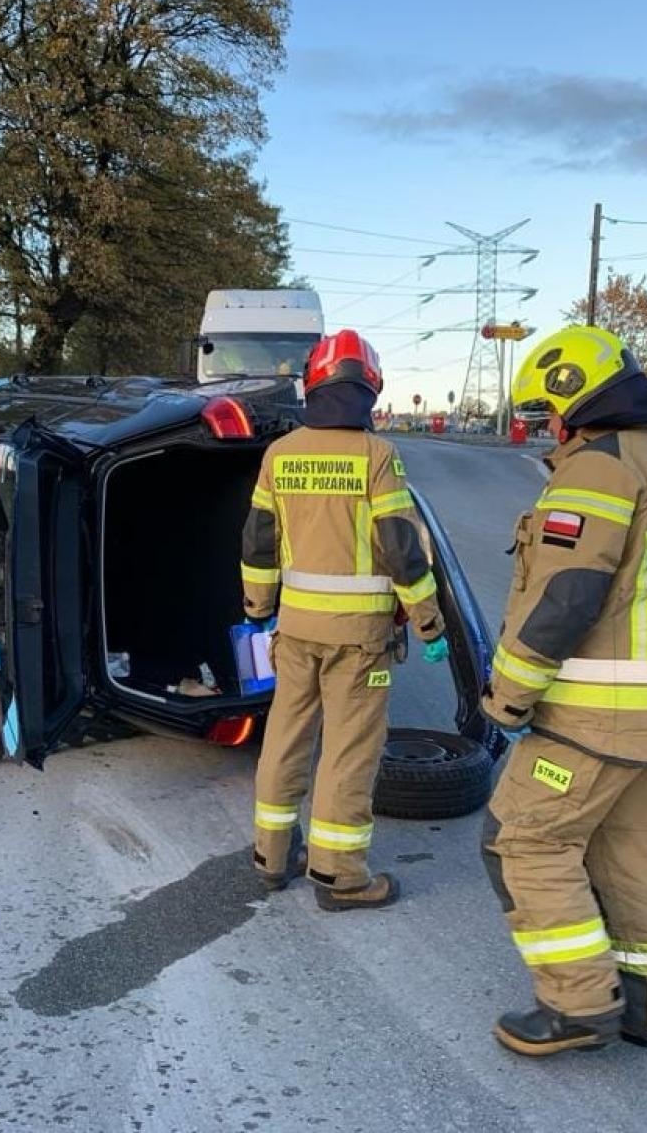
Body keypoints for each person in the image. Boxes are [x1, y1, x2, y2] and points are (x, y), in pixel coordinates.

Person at [478, 324, 647, 1057]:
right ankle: (645, 1007)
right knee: (627, 852)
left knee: (522, 840)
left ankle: (578, 1003)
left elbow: (566, 596)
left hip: (592, 716)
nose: (547, 426)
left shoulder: (596, 471)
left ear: (573, 397)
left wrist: (508, 694)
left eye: (547, 410)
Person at [241, 329, 448, 911]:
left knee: (285, 738)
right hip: (359, 639)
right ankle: (339, 877)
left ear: (312, 385)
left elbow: (257, 543)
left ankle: (271, 856)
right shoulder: (377, 457)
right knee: (348, 751)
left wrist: (258, 609)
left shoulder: (280, 455)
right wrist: (429, 623)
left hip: (295, 630)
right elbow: (401, 548)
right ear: (370, 388)